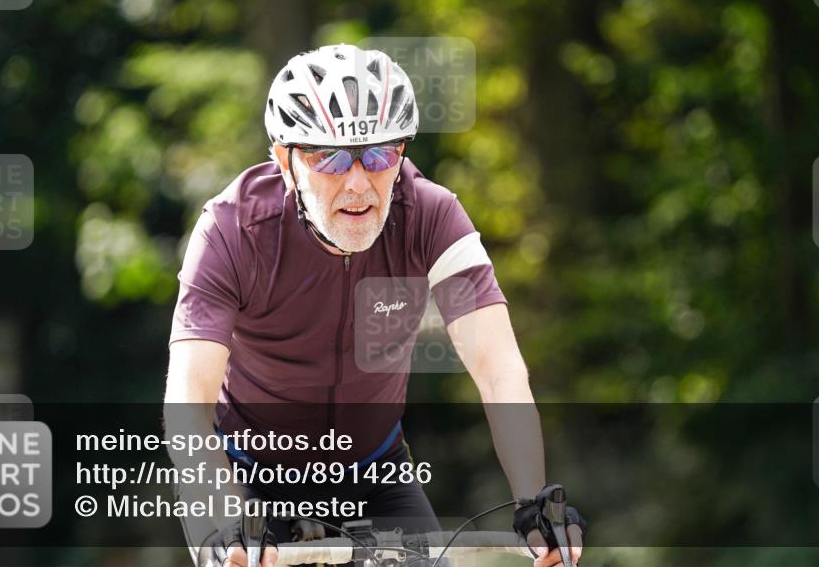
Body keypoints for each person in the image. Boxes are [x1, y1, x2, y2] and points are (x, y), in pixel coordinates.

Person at [164, 44, 586, 567]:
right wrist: (220, 511)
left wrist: (533, 496)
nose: (360, 182)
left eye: (380, 154)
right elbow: (189, 395)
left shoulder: (431, 216)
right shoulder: (232, 229)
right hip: (245, 475)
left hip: (373, 471)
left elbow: (498, 370)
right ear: (285, 161)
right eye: (332, 158)